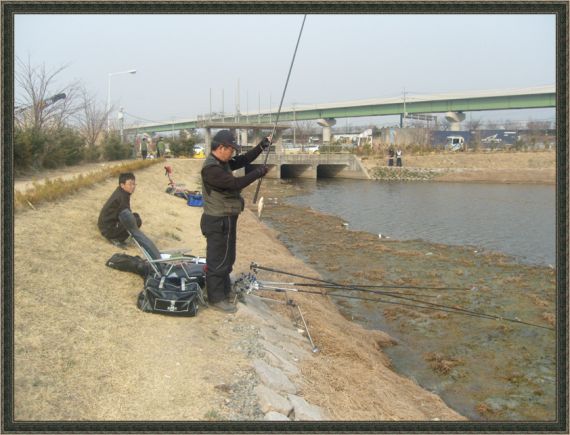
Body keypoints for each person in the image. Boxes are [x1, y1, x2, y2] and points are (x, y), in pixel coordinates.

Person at [200, 130, 270, 313]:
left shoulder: (223, 163)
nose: (233, 153)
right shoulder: (211, 169)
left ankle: (224, 291)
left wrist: (261, 146)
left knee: (228, 258)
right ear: (221, 148)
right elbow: (235, 184)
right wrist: (258, 172)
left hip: (228, 219)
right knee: (217, 260)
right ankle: (216, 299)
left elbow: (244, 160)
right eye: (231, 149)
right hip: (217, 221)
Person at [98, 172, 142, 249]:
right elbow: (127, 217)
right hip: (108, 229)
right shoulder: (122, 197)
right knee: (136, 220)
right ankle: (116, 239)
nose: (133, 187)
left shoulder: (121, 192)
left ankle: (120, 236)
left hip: (106, 224)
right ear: (122, 185)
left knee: (136, 216)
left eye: (134, 184)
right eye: (130, 184)